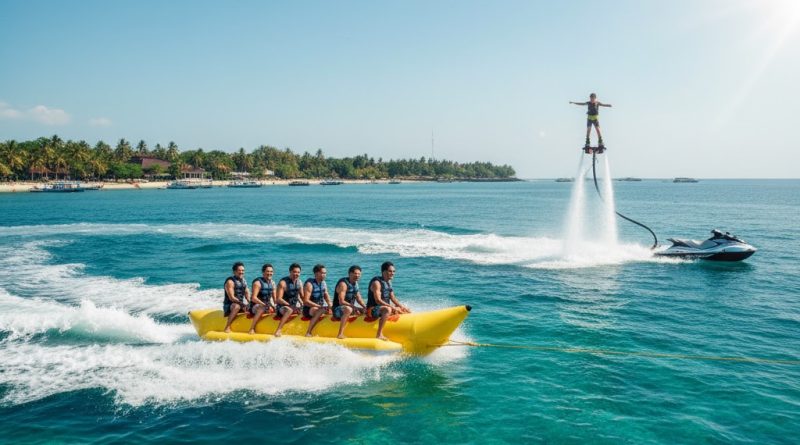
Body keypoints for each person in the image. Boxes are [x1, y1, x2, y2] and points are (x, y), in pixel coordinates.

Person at [367, 261, 411, 341]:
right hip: (372, 309)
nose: (392, 273)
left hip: (383, 308)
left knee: (404, 309)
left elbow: (393, 298)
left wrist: (402, 307)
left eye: (394, 271)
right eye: (390, 271)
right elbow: (378, 300)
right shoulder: (376, 283)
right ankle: (379, 334)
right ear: (384, 272)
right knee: (388, 309)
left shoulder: (389, 282)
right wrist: (392, 308)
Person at [332, 265, 367, 339]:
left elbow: (359, 299)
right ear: (349, 273)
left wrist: (365, 307)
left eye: (359, 274)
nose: (357, 275)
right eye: (355, 273)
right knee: (349, 309)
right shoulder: (343, 284)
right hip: (337, 310)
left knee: (365, 310)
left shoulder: (355, 284)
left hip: (350, 308)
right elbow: (341, 301)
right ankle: (340, 334)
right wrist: (354, 307)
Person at [274, 263, 303, 337]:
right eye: (294, 272)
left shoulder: (299, 282)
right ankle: (278, 330)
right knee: (289, 310)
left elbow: (303, 297)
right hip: (282, 307)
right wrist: (289, 305)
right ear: (290, 271)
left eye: (298, 272)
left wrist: (304, 305)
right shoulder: (283, 283)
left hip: (294, 306)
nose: (296, 274)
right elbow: (278, 299)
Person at [303, 264, 332, 337]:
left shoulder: (323, 283)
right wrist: (319, 306)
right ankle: (308, 332)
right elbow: (306, 301)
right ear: (316, 273)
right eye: (322, 273)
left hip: (319, 307)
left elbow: (326, 295)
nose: (324, 275)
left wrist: (330, 305)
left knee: (333, 308)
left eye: (325, 273)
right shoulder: (309, 284)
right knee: (321, 310)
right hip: (309, 309)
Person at [248, 263, 276, 334]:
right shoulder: (257, 283)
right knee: (262, 307)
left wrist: (277, 306)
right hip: (255, 306)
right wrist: (265, 305)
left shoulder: (272, 283)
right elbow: (253, 298)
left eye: (271, 271)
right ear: (263, 272)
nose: (270, 273)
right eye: (268, 271)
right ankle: (251, 328)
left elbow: (275, 299)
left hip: (267, 305)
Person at [223, 262, 250, 333]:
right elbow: (231, 297)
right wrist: (243, 305)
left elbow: (247, 293)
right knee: (237, 306)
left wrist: (250, 303)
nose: (241, 272)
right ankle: (227, 326)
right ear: (234, 271)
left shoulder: (244, 281)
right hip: (230, 305)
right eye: (239, 270)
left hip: (241, 304)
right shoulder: (230, 282)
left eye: (243, 270)